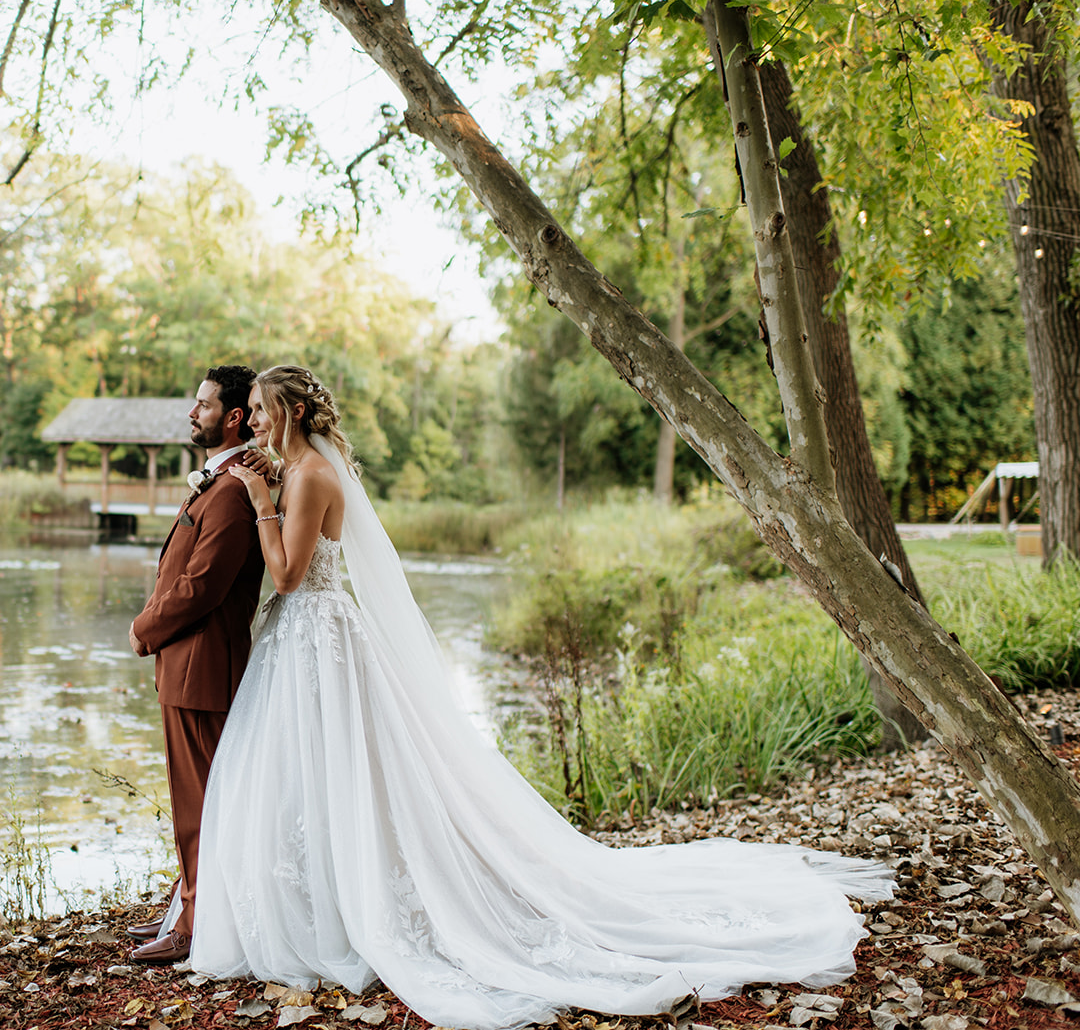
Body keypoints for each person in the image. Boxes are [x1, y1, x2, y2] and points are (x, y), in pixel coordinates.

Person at [193, 364, 894, 1030]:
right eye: (247, 410)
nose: (248, 420)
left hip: (317, 636)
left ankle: (360, 912)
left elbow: (286, 576)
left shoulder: (311, 475)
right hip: (304, 643)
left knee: (342, 772)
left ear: (293, 412)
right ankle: (326, 903)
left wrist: (259, 502)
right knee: (315, 777)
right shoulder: (299, 469)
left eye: (257, 408)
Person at [126, 365, 269, 965]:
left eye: (204, 404)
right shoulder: (223, 479)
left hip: (203, 667)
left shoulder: (235, 491)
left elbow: (203, 586)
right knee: (197, 799)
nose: (193, 412)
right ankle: (188, 906)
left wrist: (144, 628)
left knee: (202, 801)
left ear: (232, 416)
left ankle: (196, 927)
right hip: (187, 665)